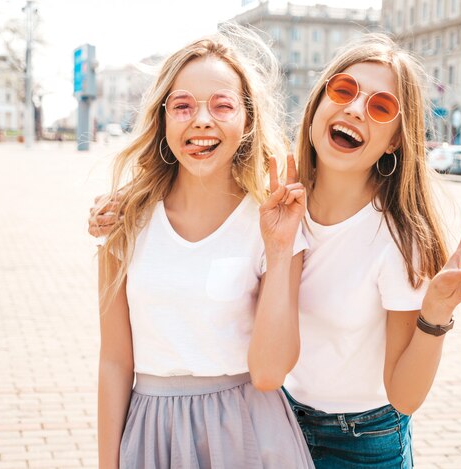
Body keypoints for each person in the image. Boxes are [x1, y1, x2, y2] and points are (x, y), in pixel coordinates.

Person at [90, 33, 461, 468]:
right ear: (317, 102)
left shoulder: (395, 239)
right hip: (278, 419)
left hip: (359, 437)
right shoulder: (279, 199)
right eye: (343, 90)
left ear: (395, 140)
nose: (353, 108)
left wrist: (436, 313)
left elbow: (403, 396)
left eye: (380, 107)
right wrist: (126, 204)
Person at [95, 26, 314, 469]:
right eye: (182, 106)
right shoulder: (124, 221)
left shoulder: (274, 221)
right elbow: (115, 362)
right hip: (151, 433)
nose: (201, 120)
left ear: (247, 120)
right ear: (162, 119)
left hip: (249, 434)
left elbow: (271, 373)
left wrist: (277, 249)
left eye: (222, 105)